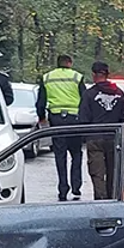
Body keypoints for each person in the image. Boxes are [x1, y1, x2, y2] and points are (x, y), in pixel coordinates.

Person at [36, 54, 87, 201]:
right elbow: (84, 99)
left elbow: (41, 102)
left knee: (60, 155)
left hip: (57, 120)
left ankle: (63, 189)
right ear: (70, 63)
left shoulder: (47, 77)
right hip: (74, 120)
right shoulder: (77, 77)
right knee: (76, 154)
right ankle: (76, 187)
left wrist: (42, 118)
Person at [79, 61, 124, 200]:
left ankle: (101, 201)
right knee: (113, 171)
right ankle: (113, 199)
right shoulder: (119, 94)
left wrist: (86, 136)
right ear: (107, 75)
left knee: (97, 173)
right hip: (114, 138)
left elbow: (83, 118)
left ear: (94, 75)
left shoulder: (89, 94)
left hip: (95, 138)